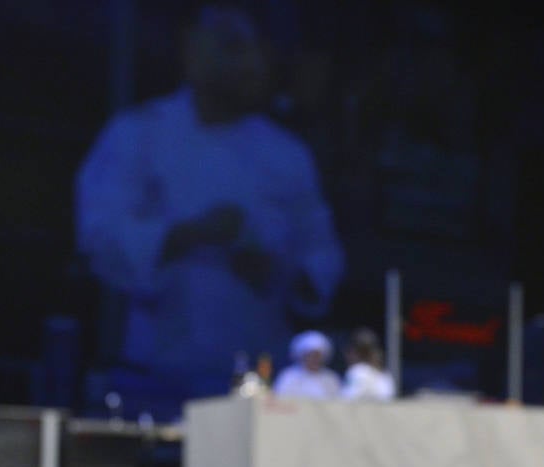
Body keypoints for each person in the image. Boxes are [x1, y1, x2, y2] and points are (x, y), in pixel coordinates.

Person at [75, 3, 345, 405]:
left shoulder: (287, 155)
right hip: (155, 371)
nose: (250, 66)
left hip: (256, 377)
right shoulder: (140, 133)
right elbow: (97, 232)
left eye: (258, 54)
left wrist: (279, 273)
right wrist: (186, 235)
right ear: (193, 50)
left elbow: (322, 255)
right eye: (233, 48)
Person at [273, 330, 341, 399]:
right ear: (302, 356)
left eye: (317, 356)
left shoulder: (331, 378)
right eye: (310, 356)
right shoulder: (288, 376)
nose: (314, 359)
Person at [340, 327, 396, 401]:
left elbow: (347, 398)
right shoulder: (384, 373)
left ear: (355, 352)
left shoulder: (357, 371)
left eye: (349, 351)